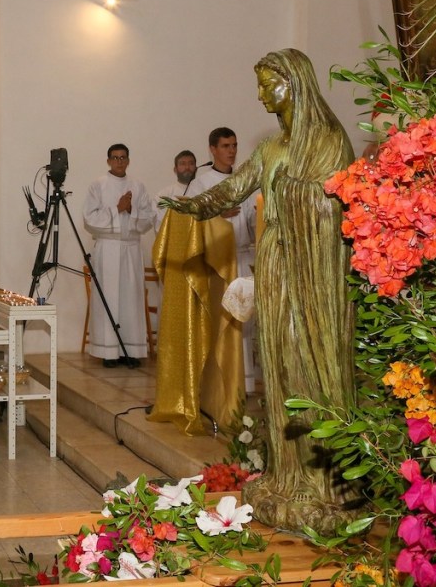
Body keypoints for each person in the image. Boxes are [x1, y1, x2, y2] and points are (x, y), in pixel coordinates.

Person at [161, 48, 357, 534]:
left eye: (268, 83)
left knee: (312, 366)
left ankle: (324, 484)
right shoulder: (271, 148)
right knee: (281, 365)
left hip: (314, 277)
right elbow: (235, 189)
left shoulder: (329, 143)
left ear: (293, 84)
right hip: (277, 267)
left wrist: (291, 193)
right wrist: (190, 205)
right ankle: (287, 476)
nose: (260, 93)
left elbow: (337, 206)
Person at [82, 143, 153, 368]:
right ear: (108, 161)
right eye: (115, 158)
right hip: (108, 248)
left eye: (123, 158)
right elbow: (89, 219)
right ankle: (108, 352)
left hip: (131, 248)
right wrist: (117, 208)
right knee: (108, 299)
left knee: (131, 298)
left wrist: (131, 210)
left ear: (128, 160)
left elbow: (149, 217)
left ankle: (130, 350)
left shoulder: (138, 186)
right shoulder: (98, 186)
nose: (119, 161)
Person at [186, 127, 256, 278]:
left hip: (243, 257)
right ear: (213, 149)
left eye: (234, 145)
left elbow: (252, 218)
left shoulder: (243, 181)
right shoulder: (200, 184)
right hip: (215, 259)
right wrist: (217, 217)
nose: (232, 151)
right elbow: (189, 223)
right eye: (225, 146)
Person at [153, 150, 197, 230]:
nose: (187, 167)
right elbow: (160, 226)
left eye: (191, 163)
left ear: (196, 168)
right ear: (175, 169)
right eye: (182, 164)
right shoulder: (163, 196)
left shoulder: (204, 193)